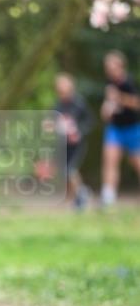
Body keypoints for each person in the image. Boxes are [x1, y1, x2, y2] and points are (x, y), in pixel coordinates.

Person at [99, 50, 140, 206]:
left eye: (111, 67)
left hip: (133, 129)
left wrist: (120, 98)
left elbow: (136, 103)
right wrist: (106, 110)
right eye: (107, 68)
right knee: (110, 161)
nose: (109, 71)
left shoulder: (129, 82)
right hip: (115, 129)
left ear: (121, 66)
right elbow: (109, 105)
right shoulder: (109, 84)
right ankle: (108, 198)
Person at [54, 73, 93, 210]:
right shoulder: (57, 105)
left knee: (70, 170)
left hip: (77, 145)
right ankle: (76, 197)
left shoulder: (79, 103)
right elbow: (52, 122)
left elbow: (89, 121)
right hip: (64, 145)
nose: (62, 93)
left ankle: (82, 195)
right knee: (65, 171)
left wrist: (79, 132)